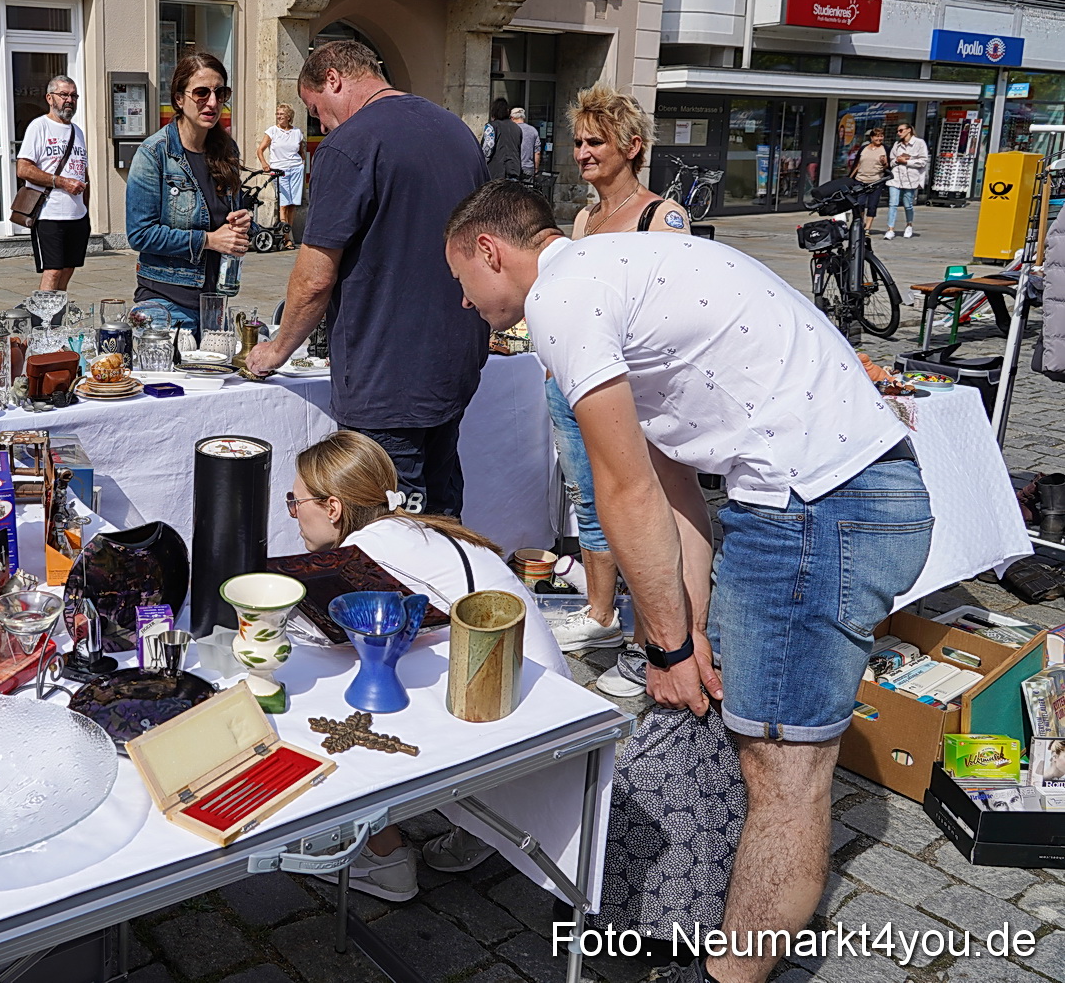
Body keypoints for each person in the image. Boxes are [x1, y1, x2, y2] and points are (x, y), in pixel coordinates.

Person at [445, 182, 933, 983]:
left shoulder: (565, 301)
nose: (466, 304)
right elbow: (673, 496)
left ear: (491, 252)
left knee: (787, 773)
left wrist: (669, 645)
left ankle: (729, 975)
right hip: (816, 498)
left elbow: (623, 490)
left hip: (820, 505)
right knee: (760, 749)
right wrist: (688, 632)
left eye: (463, 282)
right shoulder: (617, 277)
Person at [283, 431, 568, 900]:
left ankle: (383, 855)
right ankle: (479, 830)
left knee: (313, 678)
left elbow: (307, 637)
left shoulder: (365, 557)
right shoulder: (419, 529)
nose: (294, 516)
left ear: (332, 507)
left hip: (504, 726)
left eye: (297, 504)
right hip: (540, 705)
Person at [246, 40, 491, 518]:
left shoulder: (351, 144)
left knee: (391, 527)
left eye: (317, 110)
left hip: (387, 375)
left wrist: (276, 350)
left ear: (334, 78)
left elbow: (315, 276)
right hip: (453, 359)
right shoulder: (456, 130)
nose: (321, 125)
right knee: (440, 512)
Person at [548, 86, 691, 694]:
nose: (583, 152)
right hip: (576, 379)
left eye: (595, 141)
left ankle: (650, 637)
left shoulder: (664, 216)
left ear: (632, 147)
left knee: (640, 502)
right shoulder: (584, 219)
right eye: (578, 141)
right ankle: (602, 614)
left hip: (633, 387)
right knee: (589, 495)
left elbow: (679, 309)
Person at [125, 53, 250, 334]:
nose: (213, 102)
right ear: (180, 99)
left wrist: (241, 224)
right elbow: (140, 234)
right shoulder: (154, 153)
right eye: (202, 93)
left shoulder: (227, 151)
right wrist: (209, 240)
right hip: (164, 306)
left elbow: (224, 222)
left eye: (221, 92)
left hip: (214, 306)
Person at [16, 75, 90, 292]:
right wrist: (61, 182)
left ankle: (58, 317)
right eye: (64, 95)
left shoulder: (78, 132)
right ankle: (42, 321)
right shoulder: (39, 127)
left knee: (68, 268)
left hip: (77, 215)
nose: (70, 100)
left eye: (74, 95)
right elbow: (23, 169)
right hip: (49, 214)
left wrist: (86, 210)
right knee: (53, 270)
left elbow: (84, 174)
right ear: (50, 98)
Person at [255, 103, 305, 229]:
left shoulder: (297, 132)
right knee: (283, 203)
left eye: (282, 114)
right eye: (277, 114)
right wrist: (264, 163)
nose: (279, 116)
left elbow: (301, 152)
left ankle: (289, 232)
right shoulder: (272, 131)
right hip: (279, 170)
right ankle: (286, 236)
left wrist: (303, 165)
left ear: (289, 116)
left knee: (292, 204)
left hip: (296, 169)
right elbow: (260, 150)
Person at [886, 122, 929, 240]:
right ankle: (890, 229)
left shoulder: (919, 143)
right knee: (892, 203)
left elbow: (923, 161)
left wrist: (907, 162)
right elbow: (891, 161)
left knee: (907, 204)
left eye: (901, 130)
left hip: (911, 178)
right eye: (898, 131)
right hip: (896, 178)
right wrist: (897, 160)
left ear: (908, 130)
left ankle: (909, 225)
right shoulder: (897, 145)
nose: (898, 133)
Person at [849, 127, 888, 228]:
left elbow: (887, 167)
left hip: (876, 181)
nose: (879, 138)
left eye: (881, 136)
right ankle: (860, 224)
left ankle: (867, 228)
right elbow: (857, 164)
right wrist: (850, 178)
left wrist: (884, 163)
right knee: (859, 204)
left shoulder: (885, 149)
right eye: (877, 136)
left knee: (872, 205)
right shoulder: (864, 148)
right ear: (871, 137)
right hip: (860, 180)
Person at [480, 96, 524, 182]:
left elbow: (487, 150)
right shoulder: (517, 128)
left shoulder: (491, 126)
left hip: (496, 171)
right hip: (513, 169)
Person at [511, 106, 541, 179]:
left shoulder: (510, 130)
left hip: (513, 167)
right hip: (528, 167)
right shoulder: (533, 130)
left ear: (512, 118)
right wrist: (536, 169)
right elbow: (537, 152)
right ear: (523, 118)